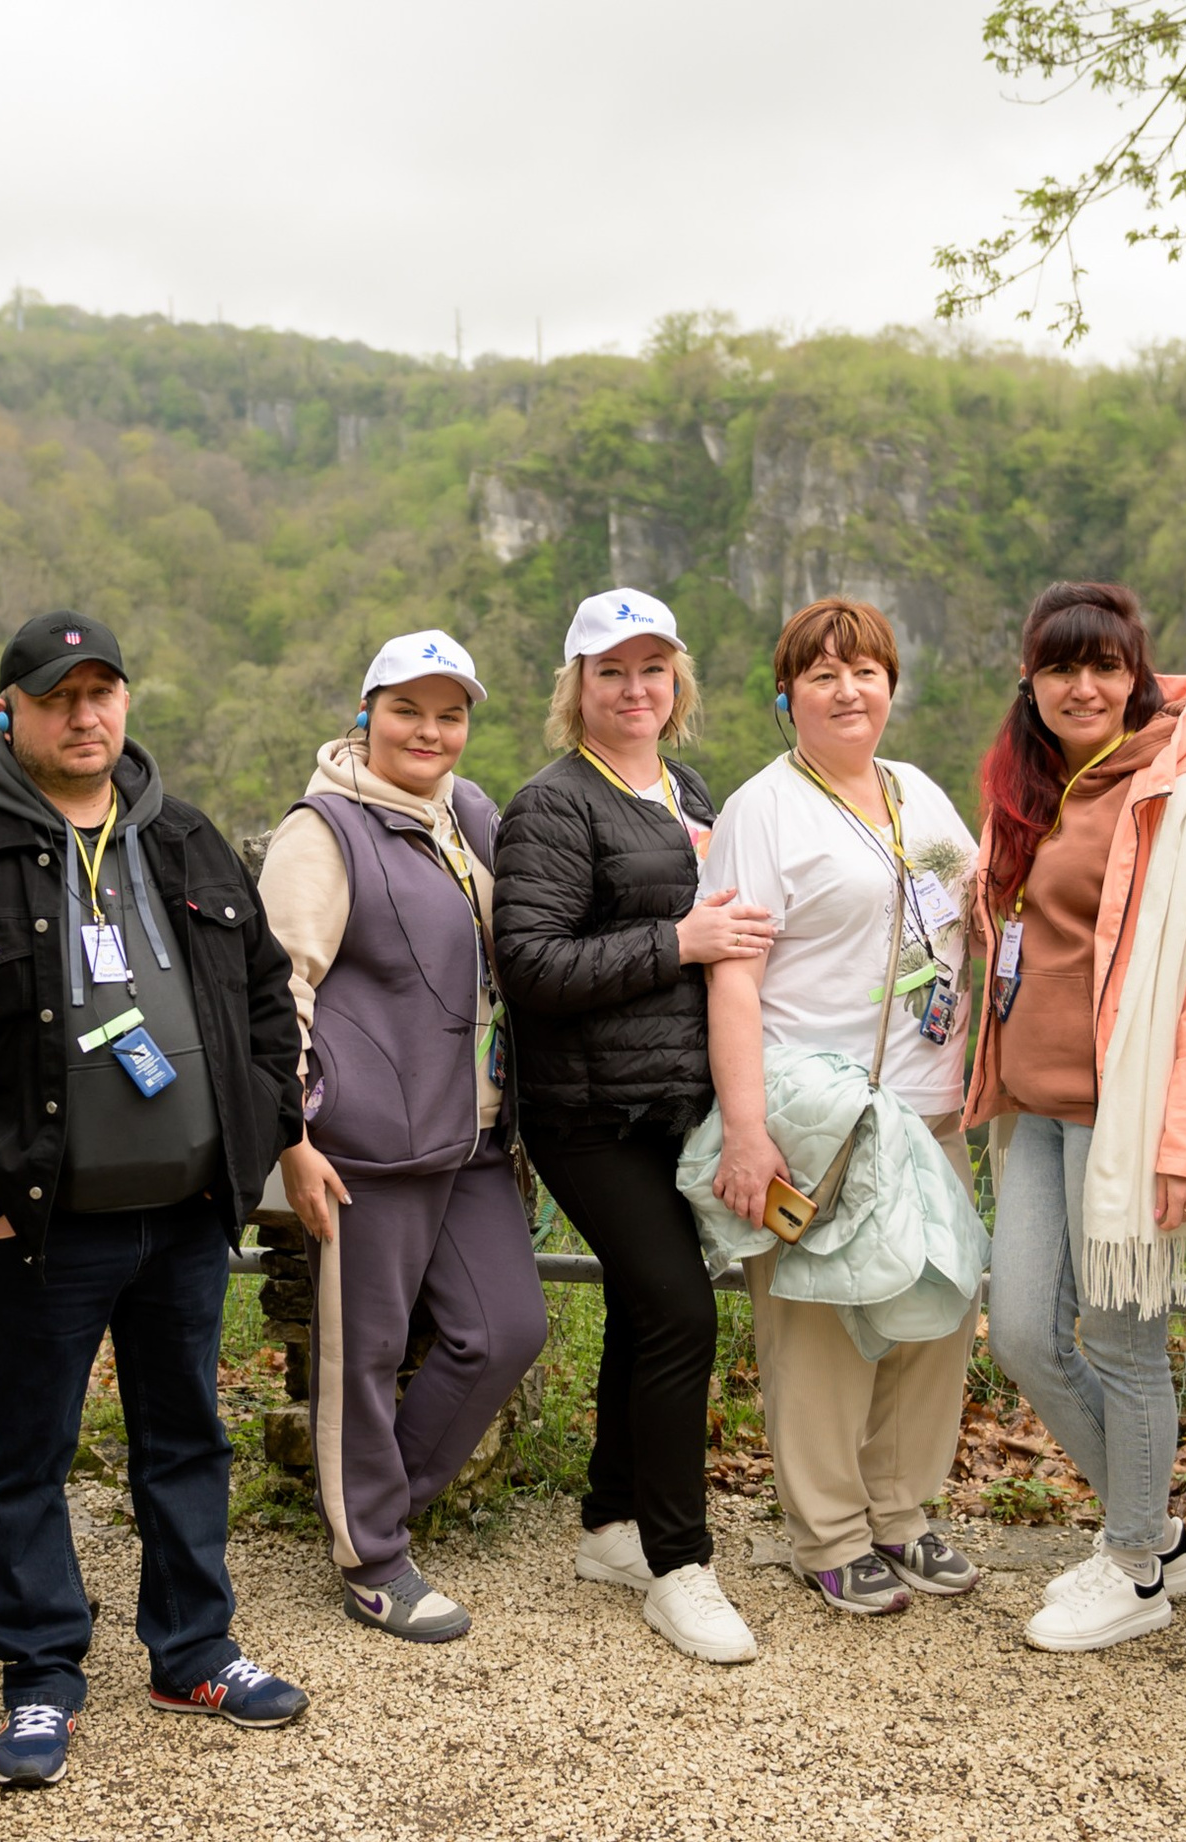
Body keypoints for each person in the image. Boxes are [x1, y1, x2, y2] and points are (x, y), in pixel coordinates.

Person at [0, 612, 312, 1789]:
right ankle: (42, 1676)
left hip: (182, 1216)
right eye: (59, 695)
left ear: (124, 705)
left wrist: (256, 1130)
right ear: (7, 709)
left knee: (185, 1440)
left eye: (103, 691)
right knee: (20, 1455)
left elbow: (266, 997)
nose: (85, 714)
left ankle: (193, 1650)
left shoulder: (191, 842)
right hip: (32, 1231)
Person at [960, 583, 1186, 1652]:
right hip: (1031, 1114)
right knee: (1030, 1335)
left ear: (1136, 675)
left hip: (1122, 1121)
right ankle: (1157, 1534)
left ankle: (1132, 1562)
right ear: (1029, 682)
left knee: (1125, 1345)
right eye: (1057, 667)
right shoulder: (1030, 787)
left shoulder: (1181, 795)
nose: (1081, 686)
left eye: (1103, 666)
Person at [493, 588, 771, 1664]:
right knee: (679, 1312)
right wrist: (680, 940)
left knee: (647, 1311)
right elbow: (532, 965)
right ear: (577, 688)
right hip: (587, 1116)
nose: (634, 689)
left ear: (677, 682)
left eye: (652, 669)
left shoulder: (682, 789)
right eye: (611, 672)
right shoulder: (551, 805)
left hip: (670, 1105)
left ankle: (611, 1525)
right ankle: (679, 1563)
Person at [256, 629, 548, 1644]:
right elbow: (278, 986)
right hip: (365, 1144)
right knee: (363, 1353)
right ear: (364, 714)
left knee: (506, 1328)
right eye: (407, 710)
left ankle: (379, 1505)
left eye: (450, 712)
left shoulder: (468, 815)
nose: (430, 731)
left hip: (469, 1135)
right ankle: (372, 1558)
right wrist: (292, 1137)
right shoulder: (322, 831)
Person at [702, 597, 984, 1616]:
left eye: (864, 670)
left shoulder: (918, 794)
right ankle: (825, 1530)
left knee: (934, 1312)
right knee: (819, 1328)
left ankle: (901, 1511)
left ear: (891, 686)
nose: (847, 688)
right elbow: (731, 978)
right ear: (789, 697)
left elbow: (970, 905)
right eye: (821, 674)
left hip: (930, 1108)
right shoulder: (760, 811)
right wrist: (746, 1129)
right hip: (818, 1118)